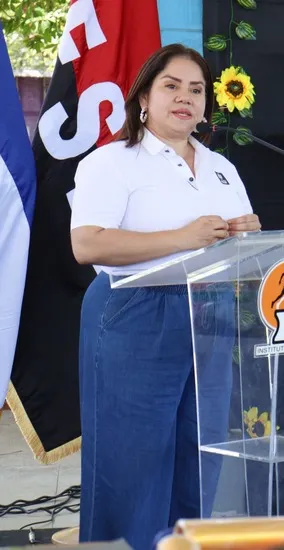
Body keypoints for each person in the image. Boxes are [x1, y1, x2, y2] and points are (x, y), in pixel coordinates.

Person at [70, 44, 261, 550]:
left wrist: (247, 235)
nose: (185, 98)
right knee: (132, 458)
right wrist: (182, 237)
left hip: (210, 310)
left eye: (196, 90)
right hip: (136, 310)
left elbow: (237, 247)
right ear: (143, 98)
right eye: (171, 86)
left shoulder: (220, 167)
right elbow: (87, 244)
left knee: (200, 454)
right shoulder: (112, 162)